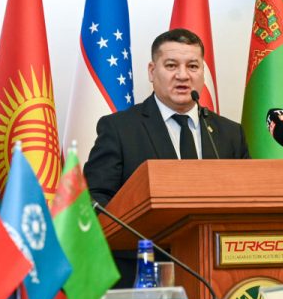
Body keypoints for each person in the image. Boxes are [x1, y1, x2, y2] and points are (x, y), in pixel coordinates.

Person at [83, 28, 251, 285]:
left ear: (202, 73)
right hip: (141, 275)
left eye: (192, 66)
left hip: (218, 276)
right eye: (171, 65)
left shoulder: (229, 134)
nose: (182, 75)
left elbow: (247, 201)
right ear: (152, 72)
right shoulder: (120, 129)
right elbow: (94, 200)